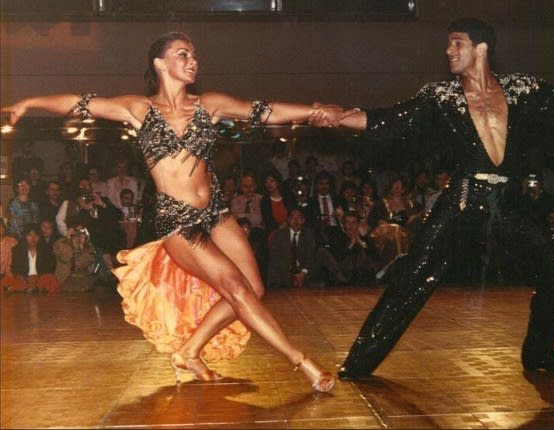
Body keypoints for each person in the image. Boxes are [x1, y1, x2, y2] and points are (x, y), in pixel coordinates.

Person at [311, 17, 554, 379]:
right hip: (461, 201)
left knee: (553, 267)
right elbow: (387, 119)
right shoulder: (441, 97)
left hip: (506, 204)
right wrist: (339, 115)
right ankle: (358, 364)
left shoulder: (522, 89)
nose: (448, 50)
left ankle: (539, 355)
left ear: (481, 48)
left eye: (457, 43)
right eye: (449, 44)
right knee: (413, 276)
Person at [3, 31, 335, 391]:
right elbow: (79, 102)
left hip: (217, 212)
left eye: (194, 55)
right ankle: (303, 363)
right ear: (160, 64)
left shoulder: (209, 104)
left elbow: (265, 110)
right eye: (183, 54)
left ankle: (189, 351)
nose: (193, 60)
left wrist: (314, 111)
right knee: (237, 288)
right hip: (177, 220)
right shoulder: (138, 109)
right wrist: (29, 102)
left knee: (252, 287)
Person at [267, 207, 317, 288]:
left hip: (302, 270)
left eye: (299, 218)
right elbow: (275, 257)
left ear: (303, 221)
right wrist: (291, 275)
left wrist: (302, 273)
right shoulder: (279, 234)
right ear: (288, 220)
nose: (296, 220)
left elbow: (310, 256)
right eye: (293, 217)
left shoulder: (309, 234)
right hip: (285, 270)